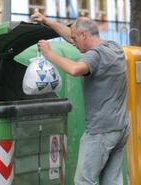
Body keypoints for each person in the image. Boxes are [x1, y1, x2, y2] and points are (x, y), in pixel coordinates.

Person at [31, 10, 129, 185]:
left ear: (84, 34)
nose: (72, 43)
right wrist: (47, 21)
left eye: (75, 39)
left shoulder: (95, 55)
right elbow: (71, 35)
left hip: (101, 131)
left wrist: (49, 54)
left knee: (84, 180)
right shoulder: (114, 47)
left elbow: (75, 69)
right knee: (111, 181)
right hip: (120, 128)